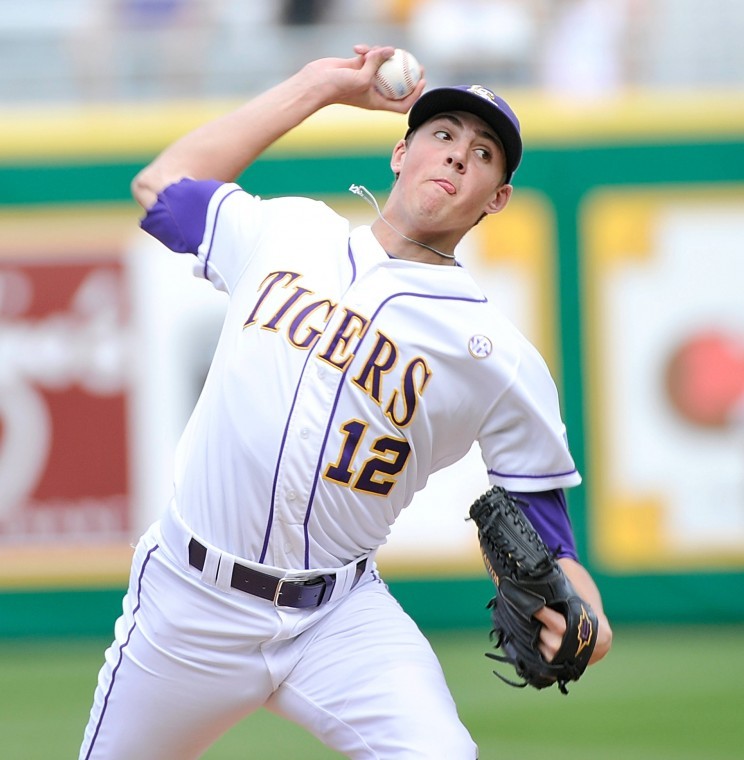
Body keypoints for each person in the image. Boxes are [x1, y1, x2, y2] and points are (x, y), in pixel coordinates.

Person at [79, 44, 612, 759]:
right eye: (444, 135)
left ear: (497, 198)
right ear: (401, 153)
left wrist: (591, 615)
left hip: (337, 620)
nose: (458, 156)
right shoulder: (289, 232)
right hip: (188, 602)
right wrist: (320, 86)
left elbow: (551, 539)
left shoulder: (499, 356)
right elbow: (160, 185)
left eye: (484, 154)